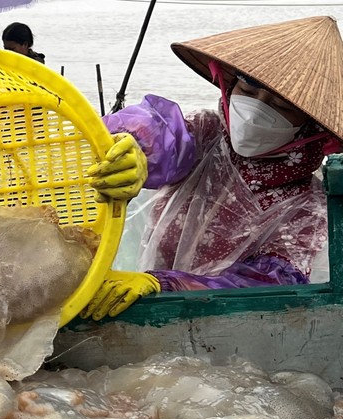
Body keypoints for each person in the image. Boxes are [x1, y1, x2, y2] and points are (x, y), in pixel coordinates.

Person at [81, 16, 343, 320]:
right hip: (140, 298)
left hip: (216, 329)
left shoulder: (307, 210)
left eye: (281, 106)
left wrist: (165, 284)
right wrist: (133, 149)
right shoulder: (206, 134)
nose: (258, 108)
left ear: (312, 127)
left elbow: (265, 290)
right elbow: (160, 131)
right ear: (229, 83)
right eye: (249, 87)